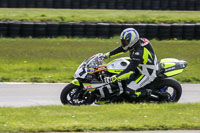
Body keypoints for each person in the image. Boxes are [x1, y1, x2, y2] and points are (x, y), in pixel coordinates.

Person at [103, 28, 158, 98]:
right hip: (141, 65)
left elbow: (130, 69)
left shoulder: (138, 52)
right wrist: (106, 55)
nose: (124, 43)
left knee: (129, 91)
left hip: (147, 72)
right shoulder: (135, 43)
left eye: (126, 41)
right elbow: (122, 49)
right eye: (123, 41)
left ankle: (147, 93)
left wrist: (115, 77)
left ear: (133, 40)